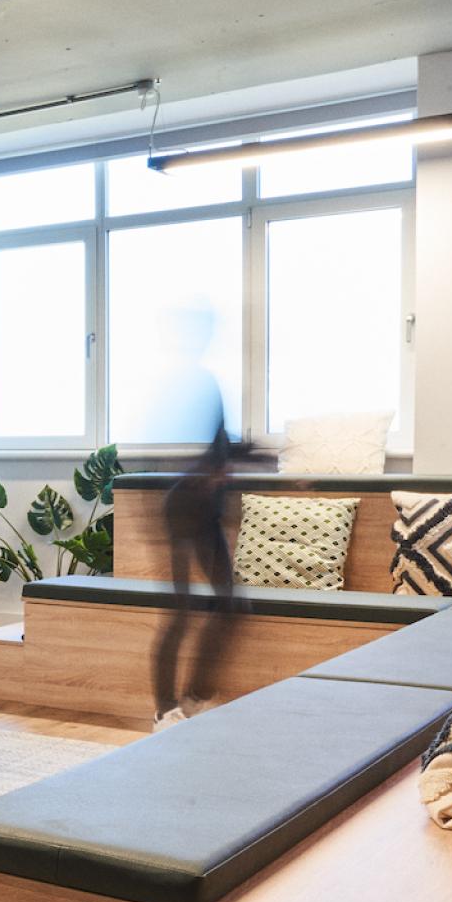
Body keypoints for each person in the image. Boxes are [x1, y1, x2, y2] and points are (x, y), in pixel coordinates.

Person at [143, 302, 252, 728]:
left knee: (228, 606)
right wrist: (204, 472)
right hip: (182, 510)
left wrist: (272, 460)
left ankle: (196, 696)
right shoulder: (180, 385)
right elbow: (171, 448)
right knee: (182, 611)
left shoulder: (206, 383)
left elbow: (222, 445)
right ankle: (164, 710)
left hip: (206, 512)